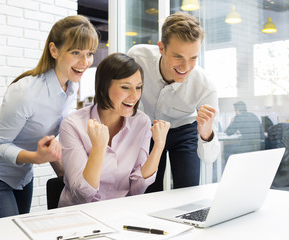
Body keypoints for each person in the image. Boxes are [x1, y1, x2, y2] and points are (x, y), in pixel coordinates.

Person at [0, 15, 99, 218]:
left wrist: (65, 175)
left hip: (21, 176)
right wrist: (36, 158)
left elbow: (46, 137)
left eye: (89, 53)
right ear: (54, 50)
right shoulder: (26, 92)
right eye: (76, 52)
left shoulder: (70, 87)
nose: (85, 61)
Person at [58, 53, 170, 207]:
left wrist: (159, 145)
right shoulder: (72, 125)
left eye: (138, 87)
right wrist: (98, 148)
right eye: (125, 87)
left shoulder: (141, 122)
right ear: (103, 88)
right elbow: (82, 195)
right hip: (80, 216)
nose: (134, 96)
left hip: (120, 214)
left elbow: (137, 189)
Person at [127, 11, 220, 192]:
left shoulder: (205, 86)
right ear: (161, 48)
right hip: (150, 129)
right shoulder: (137, 58)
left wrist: (206, 133)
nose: (185, 67)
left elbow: (209, 158)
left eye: (193, 58)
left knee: (187, 192)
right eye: (178, 56)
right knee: (148, 189)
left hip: (185, 130)